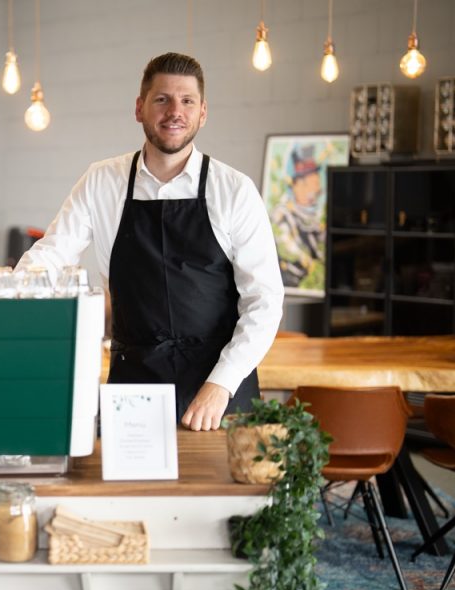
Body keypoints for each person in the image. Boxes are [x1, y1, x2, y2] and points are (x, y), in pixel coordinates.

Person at [16, 52, 283, 431]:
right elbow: (52, 253)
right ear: (139, 108)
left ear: (202, 112)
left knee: (219, 491)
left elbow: (265, 301)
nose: (175, 110)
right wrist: (5, 295)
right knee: (132, 491)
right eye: (162, 99)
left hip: (218, 392)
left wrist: (222, 383)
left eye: (187, 101)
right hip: (134, 384)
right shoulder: (101, 181)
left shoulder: (235, 190)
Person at [271, 144, 323, 289]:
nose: (318, 190)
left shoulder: (315, 217)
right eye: (314, 184)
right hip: (291, 279)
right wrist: (306, 259)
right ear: (298, 184)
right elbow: (286, 245)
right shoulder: (282, 214)